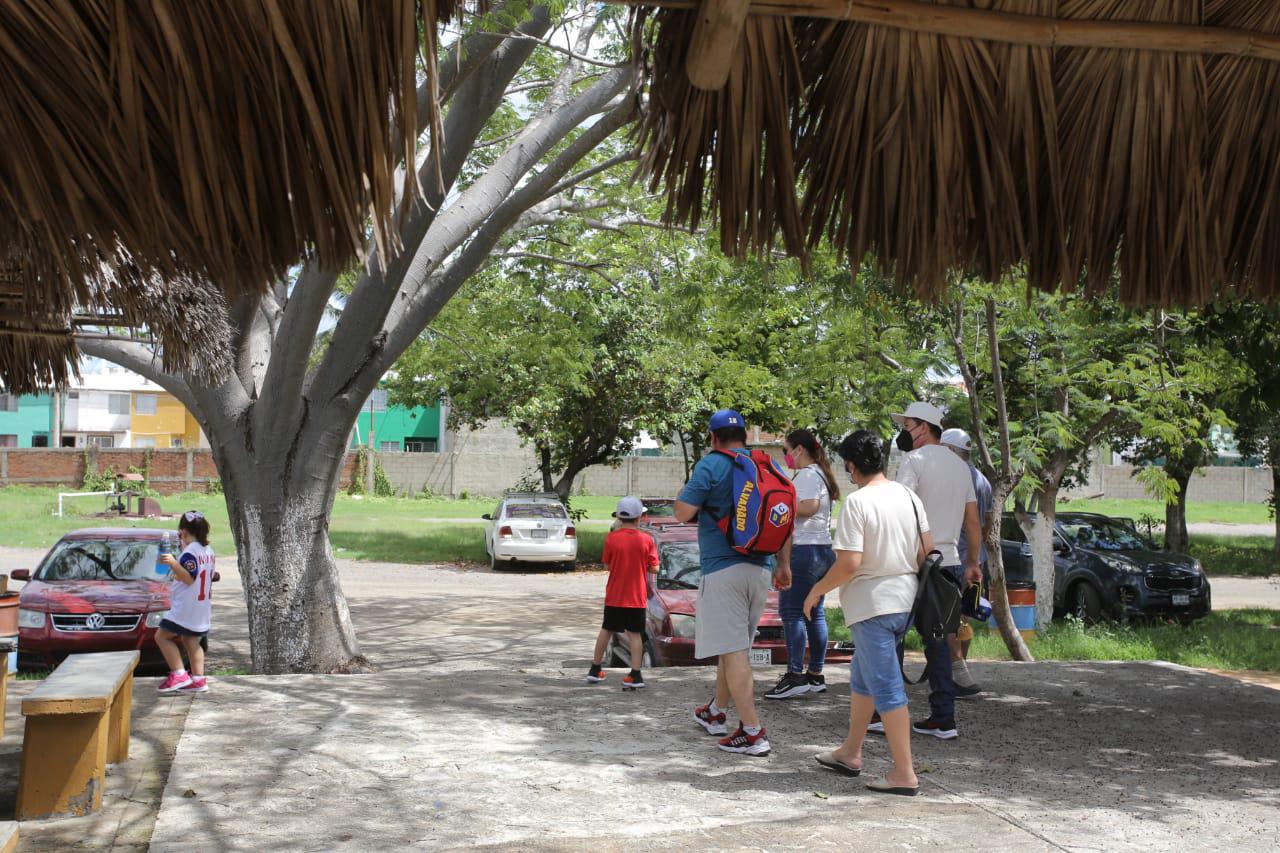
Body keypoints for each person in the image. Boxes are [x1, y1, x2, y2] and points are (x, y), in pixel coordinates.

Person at [805, 430, 927, 795]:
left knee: (888, 688)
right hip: (905, 602)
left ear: (852, 466)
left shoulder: (858, 503)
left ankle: (904, 773)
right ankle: (850, 752)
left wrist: (815, 592)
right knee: (863, 677)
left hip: (872, 606)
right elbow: (926, 553)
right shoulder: (908, 496)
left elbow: (849, 564)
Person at [675, 409, 792, 756]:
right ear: (745, 434)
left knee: (735, 651)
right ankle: (716, 713)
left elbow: (682, 512)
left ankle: (753, 732)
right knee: (733, 646)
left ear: (713, 437)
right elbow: (783, 517)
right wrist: (783, 565)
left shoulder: (711, 464)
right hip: (760, 569)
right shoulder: (768, 466)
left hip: (723, 570)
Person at [891, 401, 981, 740]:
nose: (904, 432)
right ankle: (944, 717)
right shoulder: (961, 467)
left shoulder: (913, 461)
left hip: (915, 562)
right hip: (951, 565)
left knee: (893, 635)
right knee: (940, 640)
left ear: (924, 427)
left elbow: (902, 509)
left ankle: (880, 712)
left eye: (908, 424)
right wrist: (973, 563)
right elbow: (973, 522)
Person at [765, 428, 838, 700]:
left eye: (786, 450)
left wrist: (782, 505)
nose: (785, 456)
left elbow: (809, 506)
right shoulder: (819, 473)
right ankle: (815, 674)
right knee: (814, 613)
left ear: (799, 450)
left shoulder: (807, 475)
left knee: (793, 613)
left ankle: (796, 675)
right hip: (820, 550)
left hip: (805, 551)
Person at [587, 496, 660, 690]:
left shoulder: (612, 538)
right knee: (635, 634)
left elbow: (607, 565)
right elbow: (655, 569)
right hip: (636, 597)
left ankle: (595, 669)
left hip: (615, 594)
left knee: (607, 629)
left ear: (619, 518)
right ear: (639, 518)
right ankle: (635, 674)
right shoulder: (647, 540)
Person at [941, 428, 992, 695]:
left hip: (953, 557)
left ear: (950, 450)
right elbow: (988, 523)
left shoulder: (953, 479)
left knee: (946, 619)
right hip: (976, 559)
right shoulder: (983, 480)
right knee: (963, 617)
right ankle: (961, 670)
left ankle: (959, 674)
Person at [155, 510, 215, 694]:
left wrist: (173, 563)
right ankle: (198, 679)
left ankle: (179, 673)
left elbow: (189, 578)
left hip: (186, 608)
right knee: (192, 642)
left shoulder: (190, 553)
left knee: (161, 636)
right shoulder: (208, 551)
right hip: (201, 608)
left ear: (183, 532)